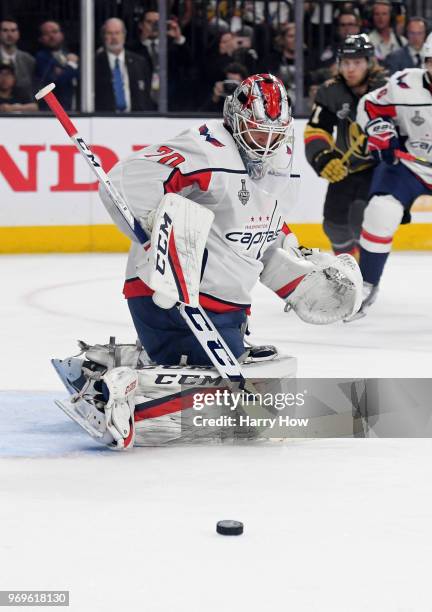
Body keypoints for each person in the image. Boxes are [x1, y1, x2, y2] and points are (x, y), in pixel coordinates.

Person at [350, 38, 432, 318]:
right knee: (381, 211)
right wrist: (381, 131)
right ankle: (367, 282)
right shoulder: (404, 84)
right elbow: (369, 106)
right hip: (410, 166)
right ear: (425, 63)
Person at [304, 34, 387, 258]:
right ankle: (348, 267)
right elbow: (317, 130)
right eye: (346, 63)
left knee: (360, 216)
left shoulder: (387, 90)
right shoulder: (330, 91)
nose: (351, 69)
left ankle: (365, 272)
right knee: (333, 225)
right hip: (345, 167)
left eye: (357, 63)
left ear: (370, 63)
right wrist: (324, 157)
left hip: (379, 169)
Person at [130, 10, 191, 110]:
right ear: (141, 25)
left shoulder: (173, 45)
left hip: (171, 103)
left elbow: (190, 65)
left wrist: (178, 38)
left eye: (157, 23)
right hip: (142, 103)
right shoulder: (133, 48)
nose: (154, 26)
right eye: (149, 22)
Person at [95, 18, 153, 112]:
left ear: (124, 35)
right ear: (104, 36)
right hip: (105, 120)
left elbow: (147, 95)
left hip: (136, 119)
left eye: (117, 33)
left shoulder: (140, 62)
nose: (114, 37)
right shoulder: (94, 64)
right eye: (109, 33)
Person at [35, 20, 79, 111]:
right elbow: (54, 83)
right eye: (47, 33)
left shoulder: (70, 55)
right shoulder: (41, 58)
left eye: (55, 32)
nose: (52, 36)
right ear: (41, 38)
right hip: (54, 112)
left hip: (76, 109)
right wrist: (71, 65)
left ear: (62, 35)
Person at [0, 18, 35, 99]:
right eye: (5, 30)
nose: (9, 34)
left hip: (25, 106)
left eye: (13, 30)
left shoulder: (28, 60)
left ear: (18, 34)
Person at [368, 0, 407, 64]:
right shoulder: (367, 41)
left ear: (391, 16)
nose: (380, 18)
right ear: (372, 16)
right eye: (377, 14)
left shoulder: (402, 41)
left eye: (384, 14)